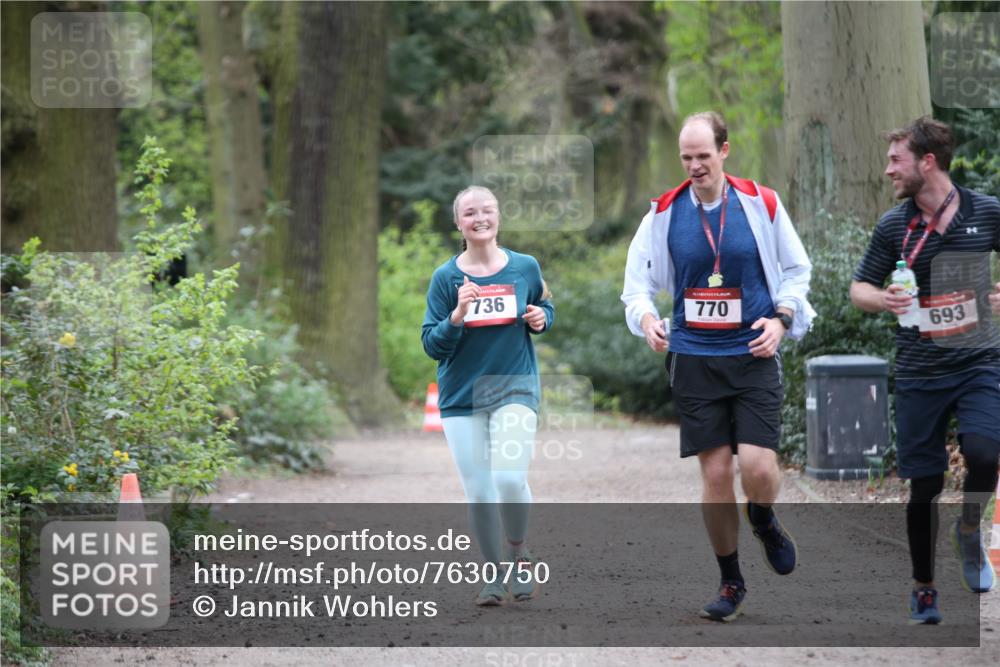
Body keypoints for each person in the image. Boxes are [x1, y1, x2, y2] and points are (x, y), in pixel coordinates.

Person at [621, 111, 815, 622]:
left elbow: (796, 270)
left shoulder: (761, 203)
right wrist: (645, 319)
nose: (694, 166)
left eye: (704, 156)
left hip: (753, 352)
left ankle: (764, 517)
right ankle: (730, 580)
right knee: (716, 473)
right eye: (686, 157)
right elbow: (636, 284)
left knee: (758, 467)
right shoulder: (662, 213)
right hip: (695, 358)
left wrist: (782, 319)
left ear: (725, 151)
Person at [850, 116, 1000, 624]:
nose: (888, 169)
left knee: (984, 452)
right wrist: (883, 299)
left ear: (927, 162)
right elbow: (858, 290)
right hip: (918, 370)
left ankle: (970, 529)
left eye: (897, 160)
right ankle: (924, 587)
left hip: (979, 359)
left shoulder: (985, 212)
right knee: (925, 485)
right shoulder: (894, 225)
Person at [422, 185, 554, 606]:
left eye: (487, 210)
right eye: (470, 213)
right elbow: (431, 344)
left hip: (515, 384)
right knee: (479, 490)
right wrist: (457, 316)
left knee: (510, 478)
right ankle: (493, 574)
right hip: (461, 395)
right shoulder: (446, 278)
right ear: (458, 223)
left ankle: (518, 552)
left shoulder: (525, 267)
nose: (480, 218)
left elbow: (545, 307)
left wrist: (540, 318)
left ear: (498, 216)